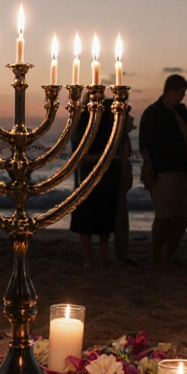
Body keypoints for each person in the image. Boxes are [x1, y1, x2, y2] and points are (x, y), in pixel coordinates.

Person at [139, 74, 187, 265]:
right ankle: (157, 254)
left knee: (182, 217)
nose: (182, 97)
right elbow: (145, 146)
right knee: (164, 217)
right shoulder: (152, 113)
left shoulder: (182, 111)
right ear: (170, 91)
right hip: (164, 173)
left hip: (185, 171)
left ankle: (168, 255)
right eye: (181, 93)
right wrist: (179, 147)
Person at [69, 98, 121, 267]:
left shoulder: (107, 118)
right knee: (87, 220)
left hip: (104, 174)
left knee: (103, 219)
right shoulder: (83, 120)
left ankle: (99, 258)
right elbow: (80, 151)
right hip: (88, 174)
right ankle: (90, 259)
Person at [113, 106, 137, 266]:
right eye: (128, 114)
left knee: (121, 217)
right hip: (115, 182)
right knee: (119, 217)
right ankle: (121, 253)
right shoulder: (116, 138)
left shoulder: (124, 138)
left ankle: (122, 252)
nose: (133, 118)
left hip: (121, 181)